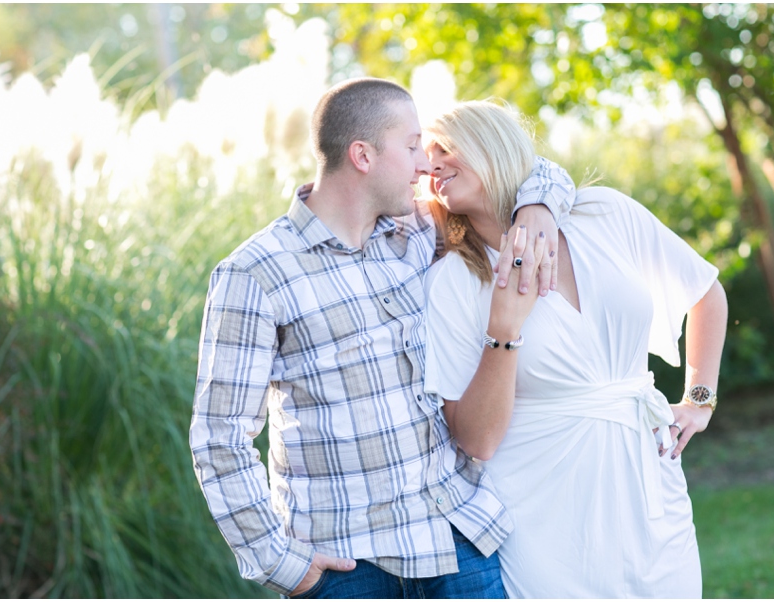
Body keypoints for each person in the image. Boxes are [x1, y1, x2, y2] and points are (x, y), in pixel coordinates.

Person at [189, 79, 576, 598]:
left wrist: (536, 210)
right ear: (362, 155)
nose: (426, 165)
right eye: (413, 145)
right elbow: (220, 436)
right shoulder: (255, 273)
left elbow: (540, 172)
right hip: (349, 569)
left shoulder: (419, 231)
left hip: (457, 544)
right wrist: (279, 562)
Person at [422, 100, 728, 598]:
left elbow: (705, 292)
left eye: (446, 147)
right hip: (543, 512)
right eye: (425, 156)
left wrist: (699, 399)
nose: (431, 164)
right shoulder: (454, 281)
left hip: (651, 484)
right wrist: (505, 329)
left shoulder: (604, 213)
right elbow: (475, 440)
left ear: (493, 144)